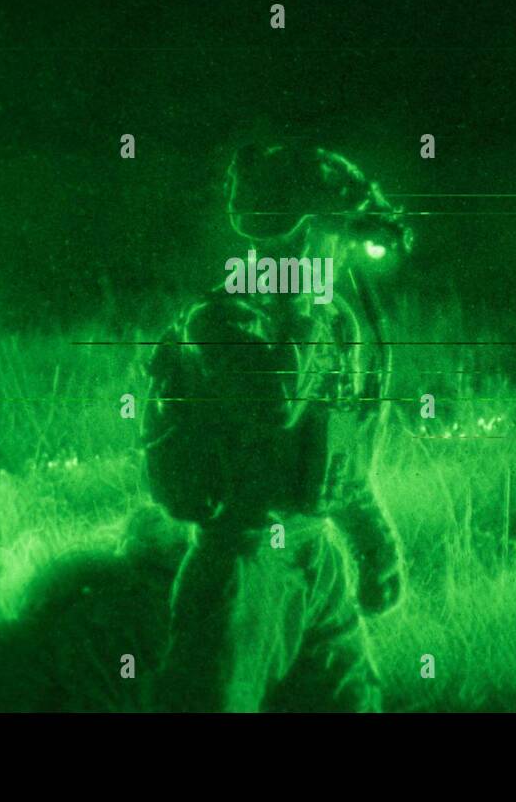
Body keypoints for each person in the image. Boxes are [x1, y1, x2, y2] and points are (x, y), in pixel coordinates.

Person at [143, 143, 411, 711]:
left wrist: (374, 541)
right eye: (332, 235)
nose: (343, 252)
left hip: (315, 558)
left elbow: (340, 450)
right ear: (296, 233)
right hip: (242, 565)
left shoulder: (332, 320)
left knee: (350, 702)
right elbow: (275, 403)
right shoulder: (219, 321)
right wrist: (303, 296)